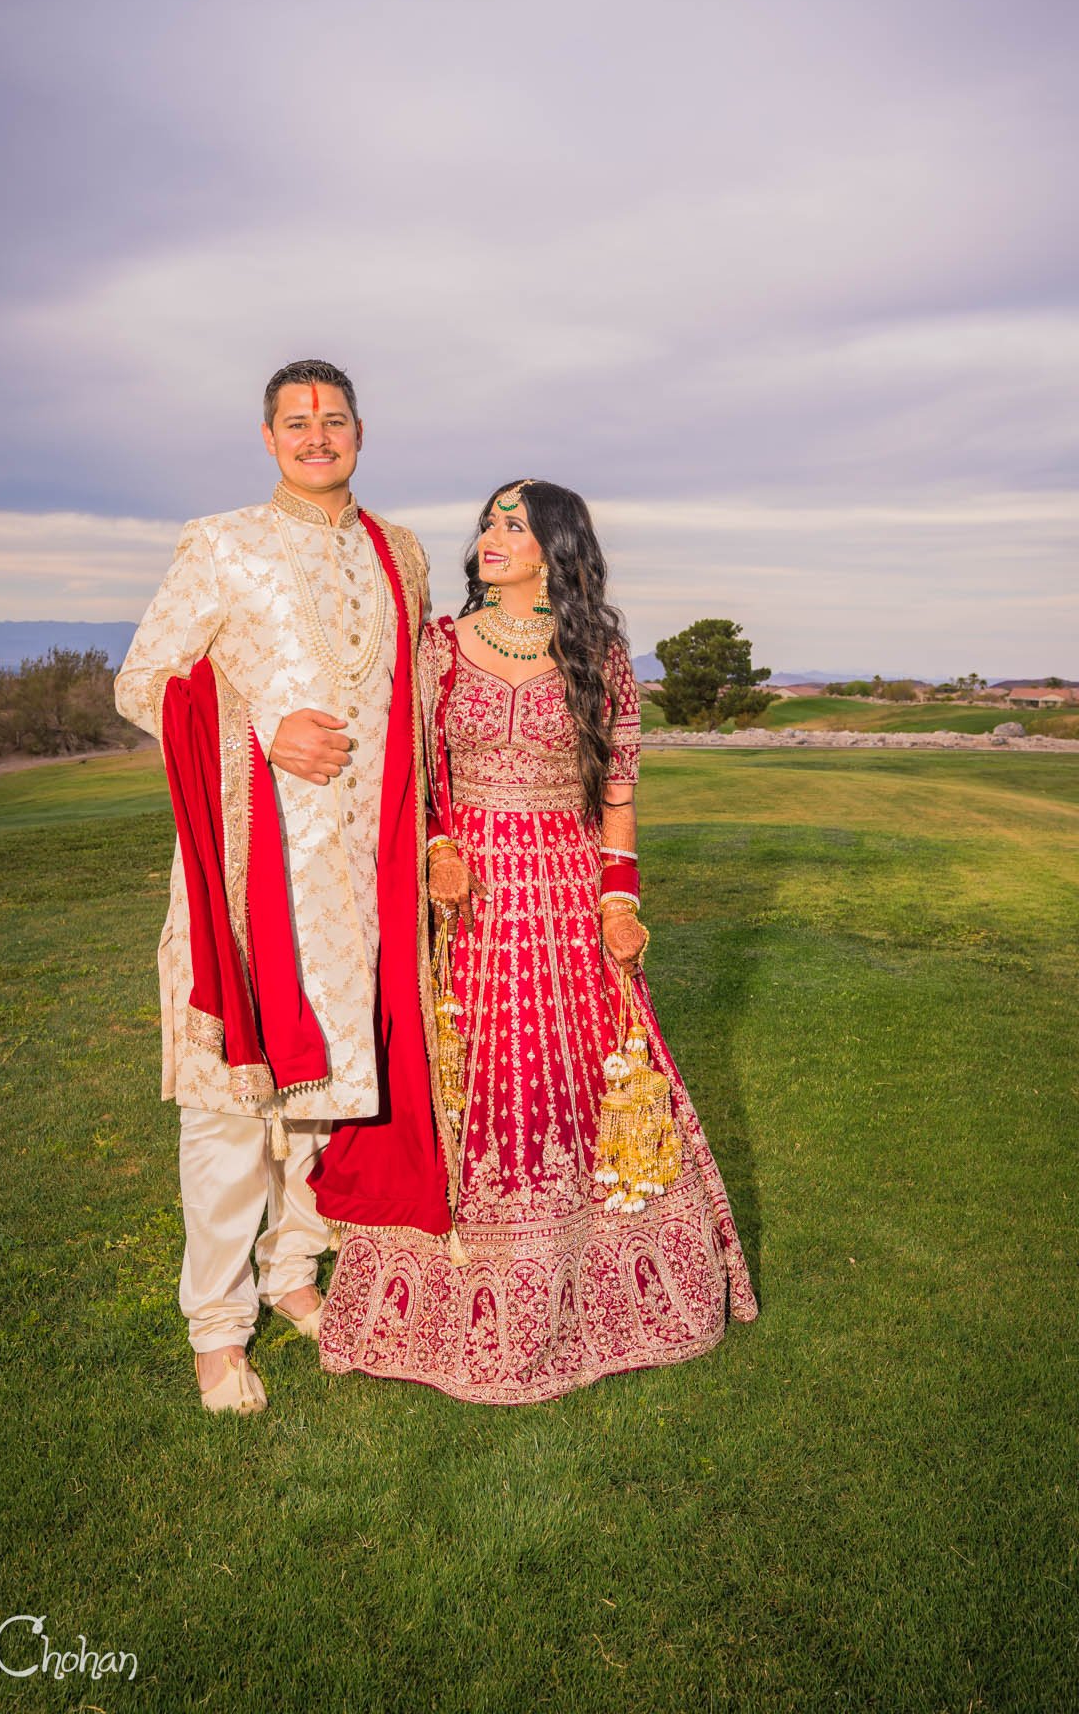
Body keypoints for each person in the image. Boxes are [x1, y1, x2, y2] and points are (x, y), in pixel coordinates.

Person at [320, 479, 757, 1402]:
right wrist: (440, 846)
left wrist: (619, 901)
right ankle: (459, 1297)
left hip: (564, 894)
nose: (491, 536)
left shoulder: (599, 652)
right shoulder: (438, 645)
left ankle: (597, 1289)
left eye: (514, 526)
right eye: (487, 521)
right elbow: (421, 772)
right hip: (471, 900)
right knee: (474, 1074)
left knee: (578, 1079)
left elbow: (619, 796)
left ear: (555, 547)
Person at [114, 360, 453, 1415]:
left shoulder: (401, 552)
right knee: (231, 1102)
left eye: (335, 418)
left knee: (335, 1093)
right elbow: (143, 682)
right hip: (254, 866)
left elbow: (420, 704)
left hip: (365, 873)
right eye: (297, 422)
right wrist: (262, 726)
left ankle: (294, 1271)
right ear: (268, 437)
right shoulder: (221, 542)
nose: (318, 436)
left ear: (360, 430)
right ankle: (216, 1330)